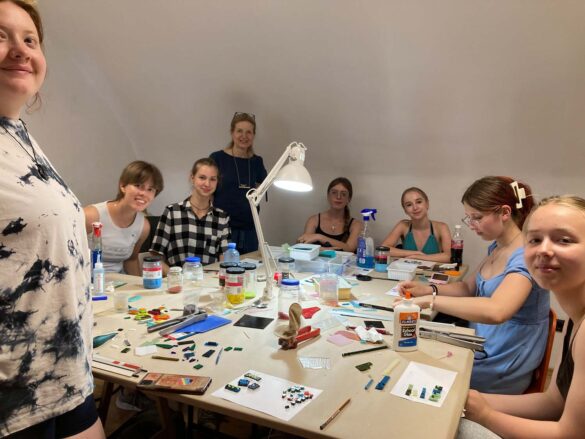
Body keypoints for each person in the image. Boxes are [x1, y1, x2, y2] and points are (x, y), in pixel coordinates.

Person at [0, 1, 104, 437]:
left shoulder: (19, 134)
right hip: (15, 395)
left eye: (30, 40)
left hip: (65, 372)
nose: (20, 50)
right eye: (1, 36)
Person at [398, 176, 549, 394]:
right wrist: (429, 289)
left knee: (416, 371)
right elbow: (468, 288)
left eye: (477, 218)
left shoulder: (525, 256)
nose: (471, 225)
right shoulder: (498, 247)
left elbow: (497, 310)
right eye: (469, 218)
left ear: (505, 213)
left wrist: (431, 301)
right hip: (481, 344)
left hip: (502, 361)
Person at [460, 195, 585, 438]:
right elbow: (553, 403)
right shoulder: (575, 319)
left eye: (564, 240)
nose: (544, 250)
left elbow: (571, 433)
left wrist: (486, 415)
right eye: (535, 240)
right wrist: (468, 398)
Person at [150, 158, 230, 275]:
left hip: (209, 282)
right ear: (192, 178)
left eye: (213, 179)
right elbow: (155, 257)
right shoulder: (172, 212)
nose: (207, 184)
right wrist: (177, 277)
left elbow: (224, 260)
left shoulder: (222, 217)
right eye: (202, 177)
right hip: (177, 282)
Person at [83, 160, 164, 275]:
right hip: (86, 281)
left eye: (150, 189)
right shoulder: (91, 215)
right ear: (123, 186)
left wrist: (139, 284)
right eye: (138, 186)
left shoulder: (144, 226)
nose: (143, 193)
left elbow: (131, 260)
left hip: (119, 282)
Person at [210, 112, 267, 254]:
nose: (244, 136)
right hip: (222, 228)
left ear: (253, 135)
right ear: (232, 133)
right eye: (239, 131)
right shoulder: (217, 158)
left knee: (250, 265)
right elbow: (208, 193)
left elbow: (260, 190)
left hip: (250, 230)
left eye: (249, 132)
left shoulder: (257, 162)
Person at [381, 187, 452, 262]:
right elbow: (383, 249)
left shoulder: (441, 227)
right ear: (405, 210)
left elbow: (449, 256)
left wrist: (419, 257)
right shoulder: (403, 225)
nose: (415, 207)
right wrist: (414, 253)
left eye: (419, 202)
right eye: (409, 205)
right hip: (407, 269)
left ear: (427, 204)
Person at [297, 177, 362, 252]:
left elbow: (350, 249)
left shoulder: (356, 224)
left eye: (343, 194)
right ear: (328, 196)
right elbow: (304, 245)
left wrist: (319, 237)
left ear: (349, 199)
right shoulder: (314, 220)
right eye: (334, 192)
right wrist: (325, 249)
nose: (338, 197)